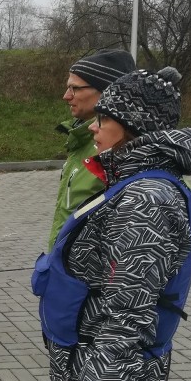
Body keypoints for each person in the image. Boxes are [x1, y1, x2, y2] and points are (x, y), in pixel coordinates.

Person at [35, 67, 191, 381]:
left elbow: (129, 311)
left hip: (103, 377)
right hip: (89, 366)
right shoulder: (132, 182)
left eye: (104, 119)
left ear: (133, 127)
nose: (94, 127)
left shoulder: (146, 199)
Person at [48, 49, 135, 249]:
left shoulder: (119, 148)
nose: (66, 96)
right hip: (66, 268)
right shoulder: (82, 140)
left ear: (106, 92)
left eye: (75, 89)